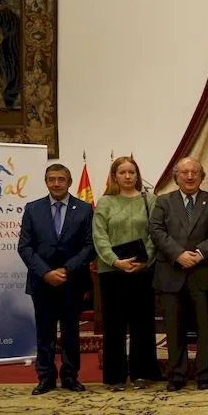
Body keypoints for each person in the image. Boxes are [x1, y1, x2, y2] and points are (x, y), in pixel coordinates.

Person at [150, 157, 208, 391]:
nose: (190, 176)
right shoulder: (164, 201)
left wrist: (200, 253)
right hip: (171, 273)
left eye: (195, 172)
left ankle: (205, 373)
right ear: (176, 177)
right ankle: (177, 374)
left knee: (205, 328)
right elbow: (156, 230)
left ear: (202, 176)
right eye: (184, 172)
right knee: (174, 328)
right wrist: (178, 254)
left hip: (203, 274)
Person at [18, 164, 94, 395]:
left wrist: (66, 270)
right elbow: (25, 247)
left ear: (69, 182)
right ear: (46, 182)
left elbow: (90, 245)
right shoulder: (33, 209)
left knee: (71, 333)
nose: (56, 183)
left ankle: (70, 377)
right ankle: (46, 377)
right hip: (42, 283)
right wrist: (45, 272)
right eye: (51, 179)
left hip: (72, 281)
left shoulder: (84, 209)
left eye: (61, 179)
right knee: (44, 333)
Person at [92, 156, 159, 391]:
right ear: (114, 176)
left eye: (132, 172)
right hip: (112, 272)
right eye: (123, 172)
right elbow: (99, 236)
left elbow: (155, 233)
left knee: (142, 324)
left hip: (142, 271)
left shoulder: (149, 200)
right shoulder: (105, 202)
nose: (128, 176)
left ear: (137, 175)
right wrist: (115, 261)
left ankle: (143, 373)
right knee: (114, 325)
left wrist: (146, 260)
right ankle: (115, 377)